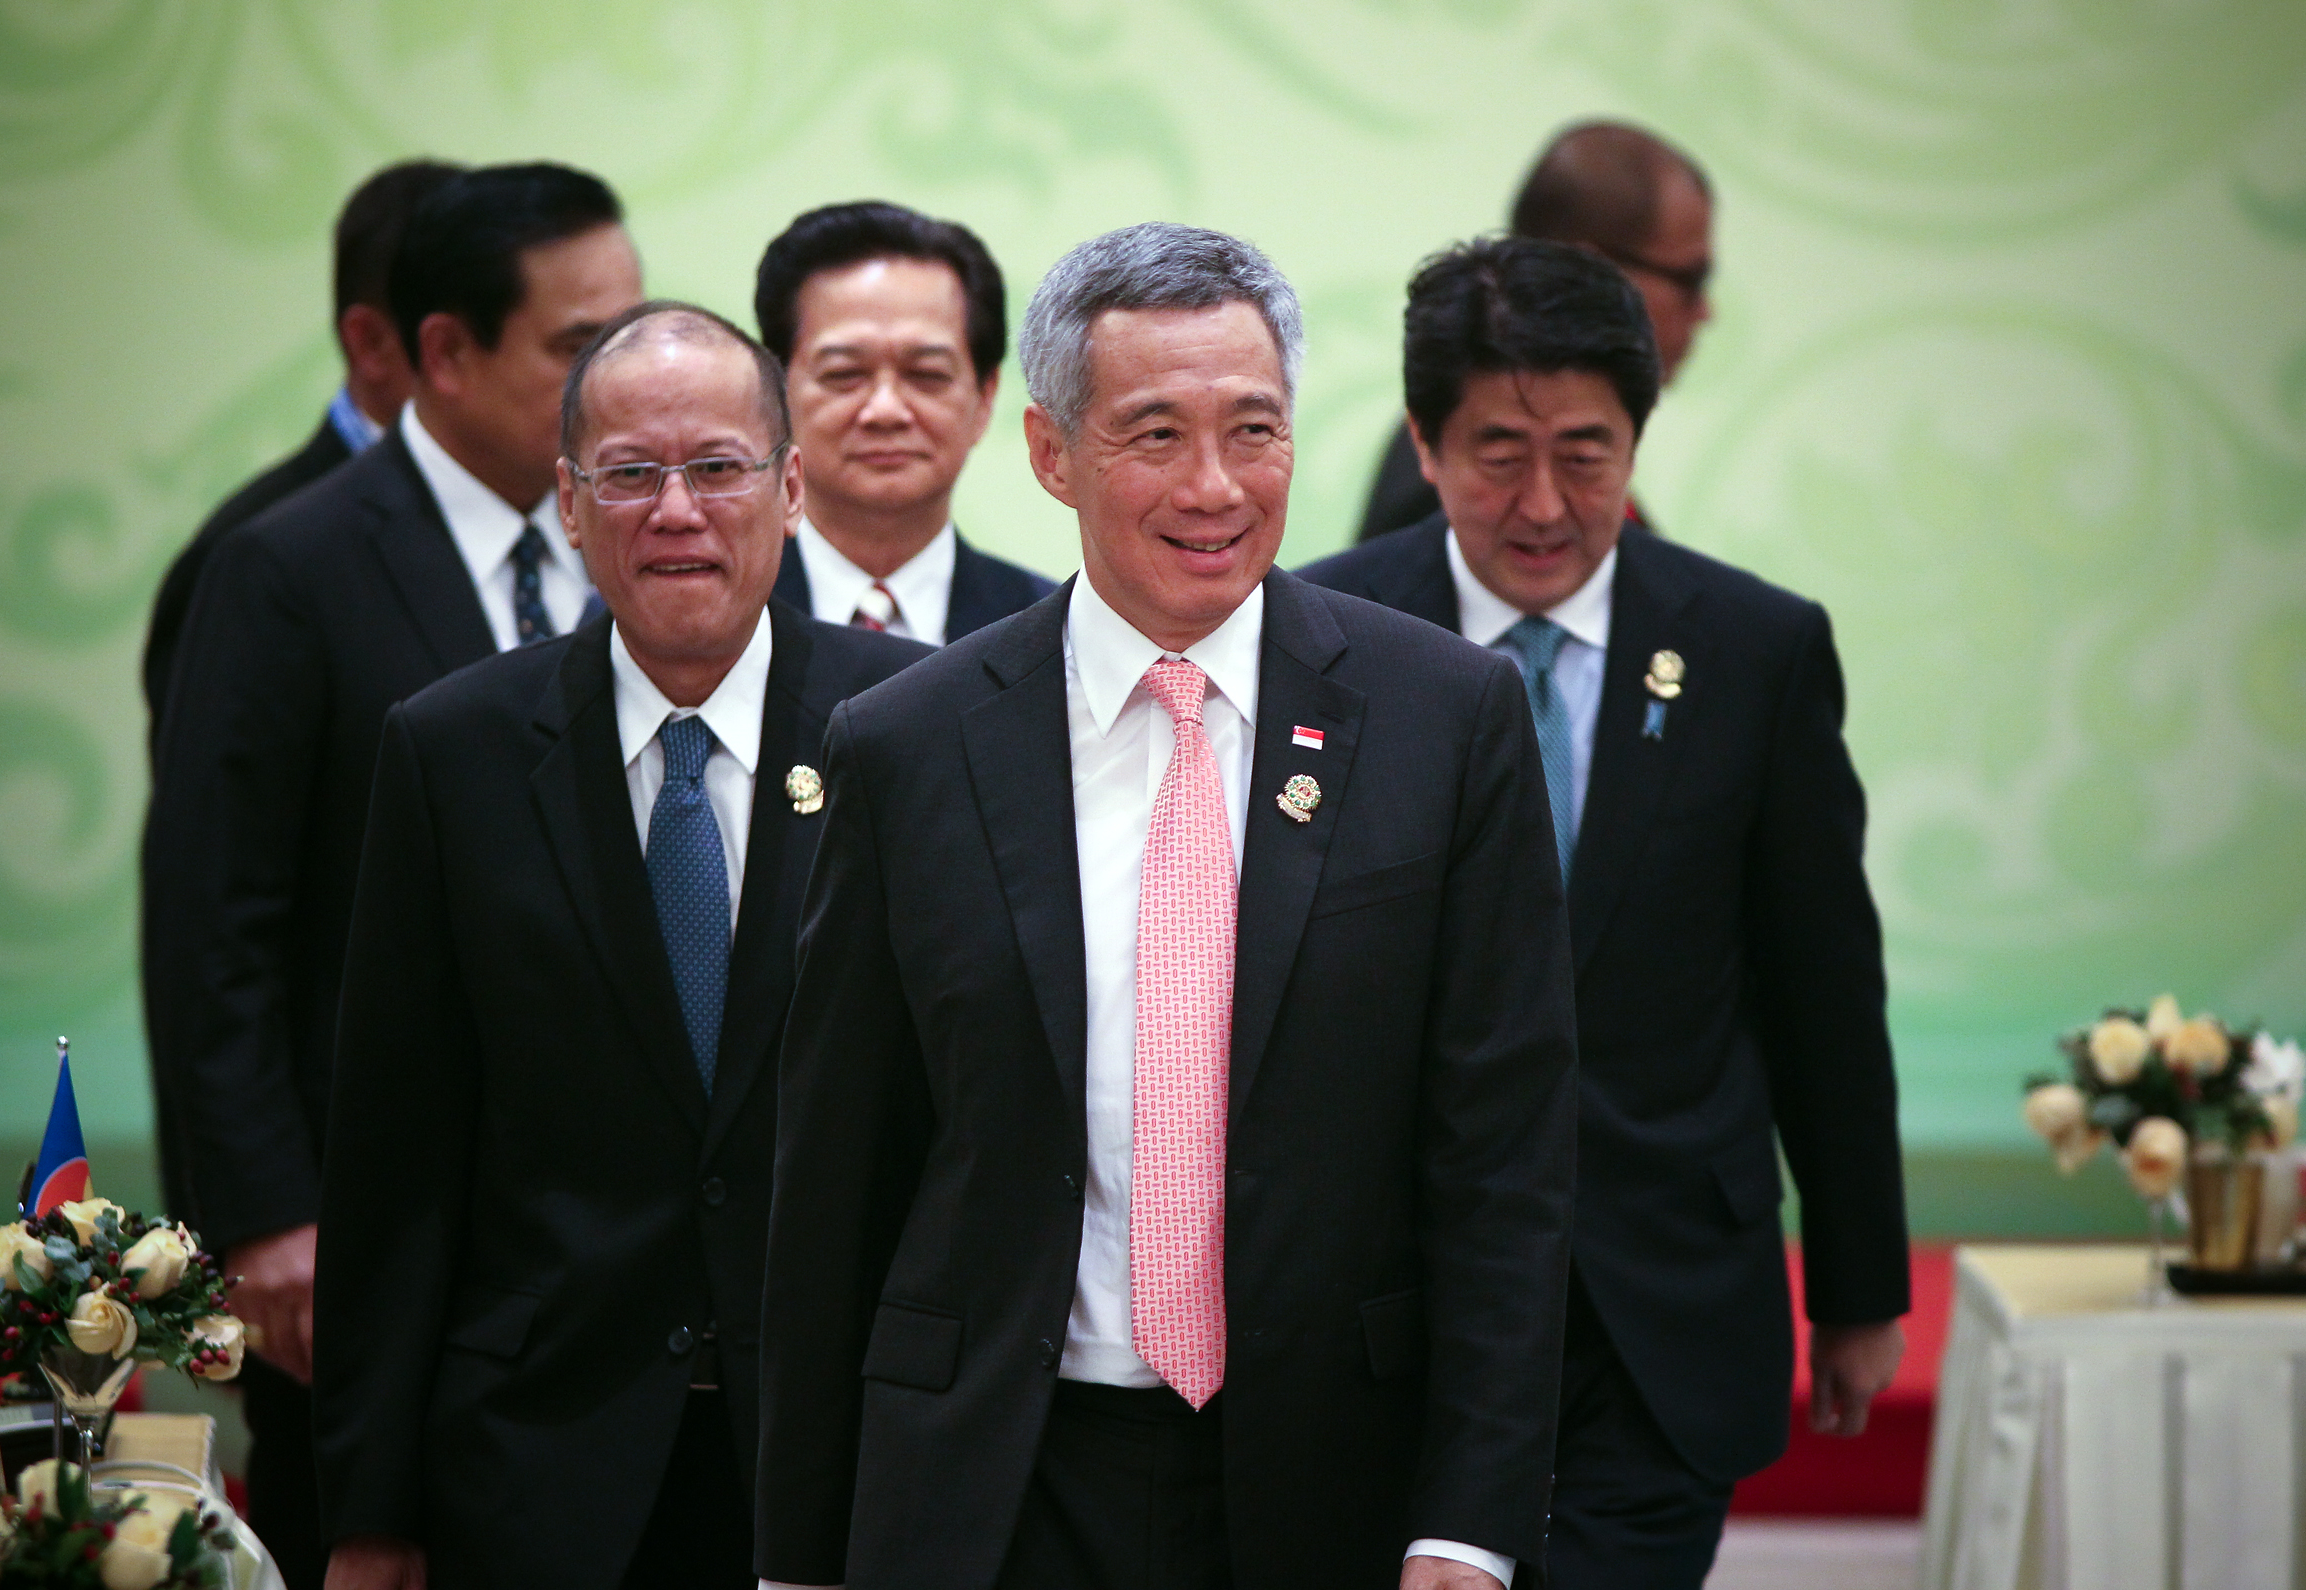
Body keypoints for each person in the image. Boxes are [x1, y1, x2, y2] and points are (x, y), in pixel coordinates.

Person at [754, 223, 1578, 1590]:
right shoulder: (908, 742)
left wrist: (1471, 1517)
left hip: (1333, 1473)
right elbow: (839, 1164)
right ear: (1050, 451)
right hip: (995, 1480)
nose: (1214, 486)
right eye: (1153, 434)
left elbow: (1505, 1157)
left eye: (1252, 429)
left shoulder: (1445, 717)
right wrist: (797, 1555)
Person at [1301, 236, 1910, 1588]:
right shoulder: (1320, 635)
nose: (1540, 501)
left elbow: (1820, 984)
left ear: (1638, 435)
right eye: (1494, 450)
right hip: (1390, 1301)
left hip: (1654, 1307)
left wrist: (1861, 1283)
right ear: (1422, 437)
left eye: (1585, 451)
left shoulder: (1753, 649)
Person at [314, 301, 929, 1590]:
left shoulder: (923, 731)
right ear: (571, 501)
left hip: (849, 1454)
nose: (676, 510)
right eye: (631, 475)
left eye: (716, 469)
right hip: (539, 1464)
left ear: (791, 488)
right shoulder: (452, 752)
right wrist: (370, 1511)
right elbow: (394, 1153)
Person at [139, 162, 641, 1590]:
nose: (611, 376)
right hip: (357, 1236)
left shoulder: (633, 549)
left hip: (575, 1243)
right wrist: (263, 1215)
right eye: (571, 346)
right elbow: (215, 920)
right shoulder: (282, 566)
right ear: (442, 353)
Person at [140, 158, 464, 749]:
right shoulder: (252, 557)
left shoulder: (565, 512)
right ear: (370, 342)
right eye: (464, 338)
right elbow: (214, 831)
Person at [1355, 121, 1713, 542]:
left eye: (1581, 457)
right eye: (1689, 279)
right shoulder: (1439, 500)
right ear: (1593, 272)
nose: (1705, 312)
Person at [754, 200, 1053, 640]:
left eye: (927, 374)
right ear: (777, 392)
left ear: (984, 399)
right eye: (844, 374)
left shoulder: (1049, 634)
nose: (886, 411)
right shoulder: (720, 620)